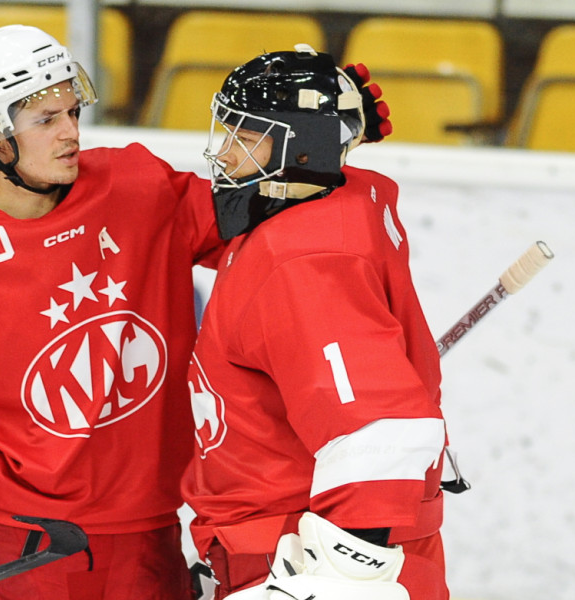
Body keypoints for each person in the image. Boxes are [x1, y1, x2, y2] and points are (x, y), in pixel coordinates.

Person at [0, 25, 229, 600]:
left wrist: (320, 157)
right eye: (45, 119)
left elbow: (263, 229)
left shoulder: (136, 185)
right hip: (4, 547)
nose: (72, 133)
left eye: (72, 112)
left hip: (145, 536)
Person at [179, 46, 447, 600]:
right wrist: (334, 120)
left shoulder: (303, 260)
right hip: (277, 539)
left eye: (246, 136)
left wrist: (345, 576)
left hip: (303, 557)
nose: (226, 153)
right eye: (227, 132)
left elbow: (381, 432)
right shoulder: (327, 199)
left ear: (299, 149)